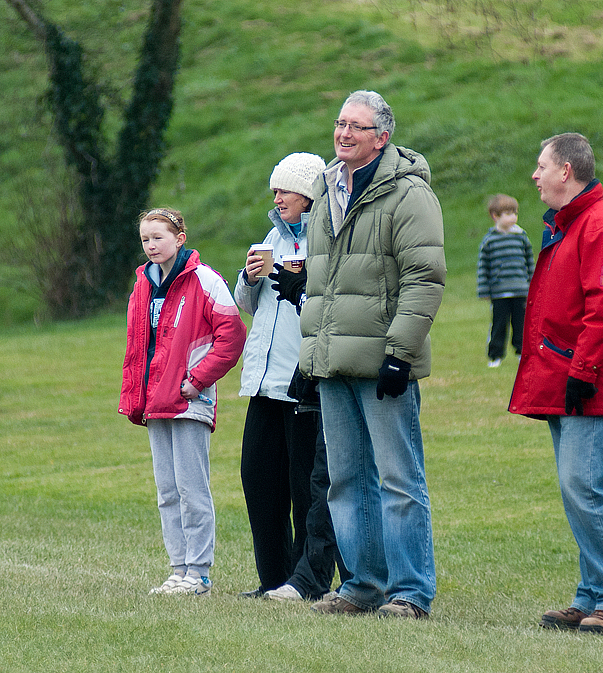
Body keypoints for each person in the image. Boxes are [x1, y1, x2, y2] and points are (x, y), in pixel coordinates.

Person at [296, 90, 445, 619]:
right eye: (339, 123)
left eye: (357, 127)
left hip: (384, 363)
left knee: (398, 479)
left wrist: (400, 354)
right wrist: (311, 352)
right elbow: (324, 284)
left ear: (382, 137)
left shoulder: (408, 195)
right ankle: (362, 584)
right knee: (345, 478)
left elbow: (424, 279)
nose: (344, 134)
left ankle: (410, 591)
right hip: (334, 362)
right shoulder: (325, 190)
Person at [509, 133, 603, 633]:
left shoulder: (602, 226)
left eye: (540, 165)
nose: (535, 175)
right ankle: (592, 595)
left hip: (587, 382)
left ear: (566, 171)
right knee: (577, 489)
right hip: (566, 379)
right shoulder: (569, 225)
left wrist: (583, 372)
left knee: (587, 487)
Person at [235, 153, 347, 602]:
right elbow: (249, 304)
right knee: (258, 480)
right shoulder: (270, 237)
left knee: (306, 486)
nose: (277, 198)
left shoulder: (325, 238)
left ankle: (305, 579)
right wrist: (248, 277)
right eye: (274, 191)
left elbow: (328, 306)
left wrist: (300, 288)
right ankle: (271, 578)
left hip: (301, 381)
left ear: (309, 195)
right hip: (263, 382)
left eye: (285, 191)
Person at [119, 207, 246, 596]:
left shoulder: (205, 280)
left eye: (158, 237)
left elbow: (232, 335)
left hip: (191, 400)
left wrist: (197, 379)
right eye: (145, 239)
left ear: (180, 238)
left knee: (193, 489)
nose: (151, 245)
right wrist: (137, 395)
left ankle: (199, 573)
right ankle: (178, 569)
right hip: (155, 402)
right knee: (167, 491)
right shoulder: (142, 285)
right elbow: (138, 348)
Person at [477, 193, 535, 367]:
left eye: (515, 213)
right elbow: (483, 267)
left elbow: (529, 262)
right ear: (496, 216)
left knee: (521, 324)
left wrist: (532, 284)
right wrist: (484, 290)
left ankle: (521, 352)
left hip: (520, 290)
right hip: (499, 292)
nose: (513, 217)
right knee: (499, 324)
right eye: (508, 213)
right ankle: (495, 355)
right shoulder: (490, 240)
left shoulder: (521, 237)